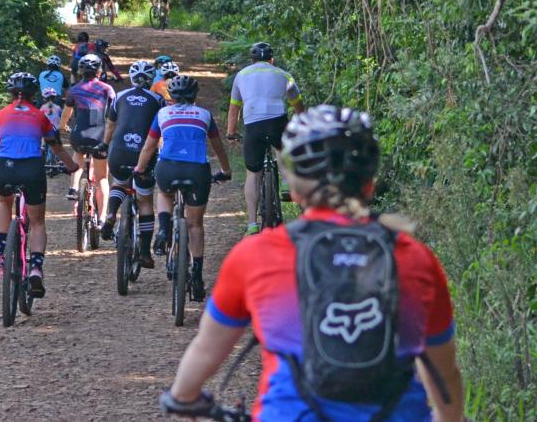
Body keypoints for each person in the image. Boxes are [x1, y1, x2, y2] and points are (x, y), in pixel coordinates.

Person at [159, 105, 464, 422]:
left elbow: (207, 349)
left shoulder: (256, 255)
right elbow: (444, 371)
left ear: (296, 187)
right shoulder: (416, 259)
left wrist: (183, 397)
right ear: (370, 183)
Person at [0, 73, 78, 297]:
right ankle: (36, 268)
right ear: (34, 95)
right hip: (32, 169)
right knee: (37, 221)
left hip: (5, 168)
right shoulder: (40, 117)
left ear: (10, 93)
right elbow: (57, 147)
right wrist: (71, 166)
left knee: (5, 202)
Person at [134, 76, 232, 300]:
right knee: (195, 224)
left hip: (168, 168)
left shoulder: (162, 114)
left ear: (172, 96)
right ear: (194, 96)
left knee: (165, 193)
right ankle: (196, 275)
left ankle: (163, 229)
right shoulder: (205, 115)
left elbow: (149, 147)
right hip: (197, 171)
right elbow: (218, 148)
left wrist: (140, 169)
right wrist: (226, 171)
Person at [225, 42, 305, 235]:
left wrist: (231, 132)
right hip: (277, 120)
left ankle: (252, 224)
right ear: (272, 59)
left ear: (251, 60)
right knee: (281, 149)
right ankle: (286, 183)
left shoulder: (241, 76)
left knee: (253, 173)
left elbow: (234, 109)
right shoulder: (283, 74)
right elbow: (298, 106)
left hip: (253, 124)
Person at [94, 61, 163, 267]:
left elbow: (110, 125)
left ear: (132, 78)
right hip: (143, 153)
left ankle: (111, 214)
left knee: (120, 183)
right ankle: (144, 252)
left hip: (119, 152)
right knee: (145, 200)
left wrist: (105, 145)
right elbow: (160, 130)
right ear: (151, 79)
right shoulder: (158, 99)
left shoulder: (120, 96)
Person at [60, 55, 115, 215]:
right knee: (102, 179)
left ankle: (74, 187)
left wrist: (63, 126)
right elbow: (114, 114)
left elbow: (66, 114)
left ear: (80, 71)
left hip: (79, 134)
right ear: (99, 71)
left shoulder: (74, 90)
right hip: (99, 136)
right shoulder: (106, 89)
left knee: (78, 153)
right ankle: (103, 217)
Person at [40, 88, 63, 164]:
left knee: (43, 142)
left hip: (45, 131)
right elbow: (61, 117)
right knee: (58, 145)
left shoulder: (42, 108)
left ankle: (42, 148)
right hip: (55, 130)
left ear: (44, 98)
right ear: (54, 98)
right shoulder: (58, 108)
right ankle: (59, 159)